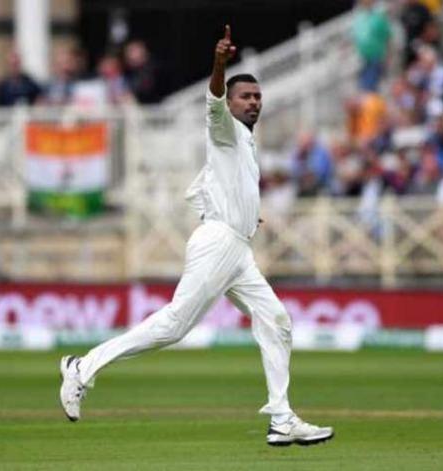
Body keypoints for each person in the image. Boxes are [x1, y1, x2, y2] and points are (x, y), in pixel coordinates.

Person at [59, 25, 334, 447]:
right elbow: (213, 102)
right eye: (246, 97)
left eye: (258, 97)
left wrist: (247, 215)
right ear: (232, 103)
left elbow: (205, 188)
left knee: (276, 320)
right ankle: (83, 368)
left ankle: (281, 418)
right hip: (219, 243)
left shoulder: (244, 142)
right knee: (174, 326)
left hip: (237, 247)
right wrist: (219, 63)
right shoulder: (224, 129)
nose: (254, 102)